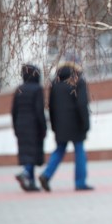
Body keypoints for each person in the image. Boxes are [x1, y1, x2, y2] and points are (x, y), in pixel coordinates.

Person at [38, 56, 93, 191]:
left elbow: (50, 106)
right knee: (79, 150)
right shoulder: (78, 82)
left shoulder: (55, 83)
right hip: (76, 124)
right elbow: (82, 104)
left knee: (59, 150)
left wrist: (54, 126)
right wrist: (86, 124)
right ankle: (80, 182)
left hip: (60, 125)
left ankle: (46, 175)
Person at [11, 64, 47, 192]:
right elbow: (39, 111)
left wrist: (15, 127)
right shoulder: (37, 89)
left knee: (27, 153)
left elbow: (14, 111)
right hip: (33, 126)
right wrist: (44, 127)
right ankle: (25, 173)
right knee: (32, 153)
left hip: (21, 125)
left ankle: (30, 183)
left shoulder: (19, 90)